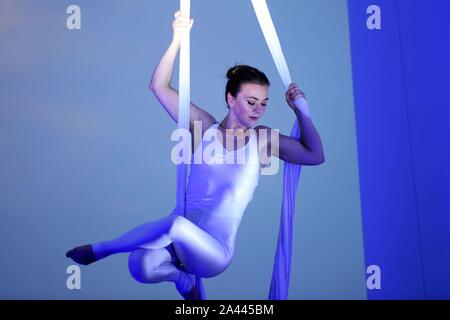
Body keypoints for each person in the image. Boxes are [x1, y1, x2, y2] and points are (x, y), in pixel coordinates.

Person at [66, 11, 325, 300]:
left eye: (263, 104)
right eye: (251, 101)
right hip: (175, 243)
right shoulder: (203, 127)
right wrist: (177, 37)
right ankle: (182, 280)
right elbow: (158, 86)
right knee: (139, 265)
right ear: (230, 98)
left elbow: (315, 155)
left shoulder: (262, 139)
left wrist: (300, 109)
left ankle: (100, 250)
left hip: (214, 253)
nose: (258, 109)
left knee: (176, 225)